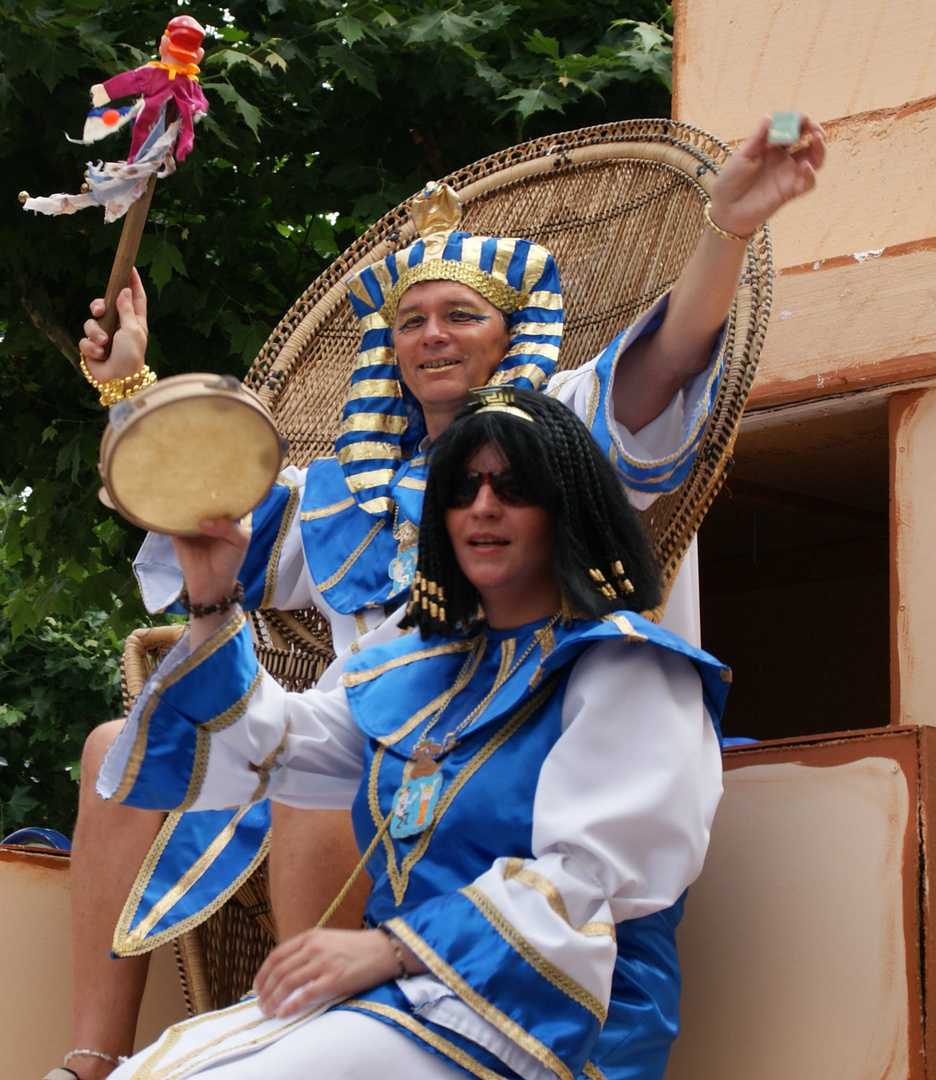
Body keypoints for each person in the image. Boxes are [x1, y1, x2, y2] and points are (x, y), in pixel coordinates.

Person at [54, 113, 824, 1080]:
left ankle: (294, 1008)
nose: (482, 510)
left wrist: (725, 234)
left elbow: (664, 361)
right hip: (389, 781)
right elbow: (202, 511)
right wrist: (134, 402)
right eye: (460, 491)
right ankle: (107, 1051)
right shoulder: (357, 538)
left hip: (525, 1006)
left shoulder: (599, 588)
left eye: (460, 313)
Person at [96, 387, 729, 1080]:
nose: (483, 506)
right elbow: (268, 745)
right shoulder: (418, 673)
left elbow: (587, 885)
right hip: (403, 996)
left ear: (566, 507)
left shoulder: (628, 664)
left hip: (555, 1021)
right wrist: (213, 599)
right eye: (461, 489)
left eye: (514, 486)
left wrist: (391, 949)